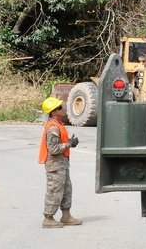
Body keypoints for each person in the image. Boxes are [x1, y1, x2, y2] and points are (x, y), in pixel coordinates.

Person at [38, 97, 82, 228]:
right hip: (55, 166)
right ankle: (48, 218)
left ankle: (66, 215)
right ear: (53, 112)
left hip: (62, 165)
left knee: (66, 190)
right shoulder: (53, 128)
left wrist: (68, 143)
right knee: (54, 192)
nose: (62, 109)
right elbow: (53, 149)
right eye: (59, 108)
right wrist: (69, 144)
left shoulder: (58, 125)